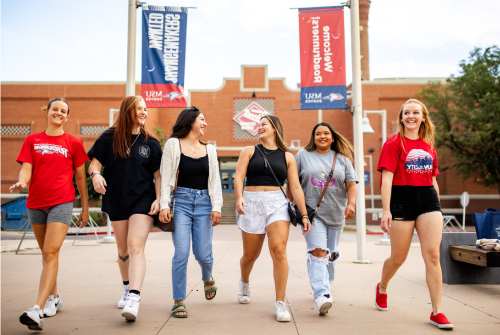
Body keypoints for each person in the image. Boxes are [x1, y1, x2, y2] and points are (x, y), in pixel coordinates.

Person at [375, 99, 453, 329]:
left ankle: (437, 311)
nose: (411, 116)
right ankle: (382, 287)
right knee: (398, 258)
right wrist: (386, 210)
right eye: (406, 113)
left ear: (423, 117)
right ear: (401, 118)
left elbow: (433, 179)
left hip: (428, 199)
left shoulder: (428, 144)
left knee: (433, 256)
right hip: (402, 200)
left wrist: (437, 206)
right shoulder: (393, 143)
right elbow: (386, 180)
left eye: (415, 112)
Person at [12, 98, 89, 331]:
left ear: (67, 117)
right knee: (47, 255)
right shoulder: (31, 140)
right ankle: (54, 297)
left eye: (63, 111)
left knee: (50, 251)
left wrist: (84, 207)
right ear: (47, 112)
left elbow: (80, 177)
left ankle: (37, 308)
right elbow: (26, 168)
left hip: (61, 202)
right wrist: (21, 182)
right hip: (35, 203)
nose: (59, 113)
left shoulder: (73, 142)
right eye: (55, 109)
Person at [87, 96, 162, 321]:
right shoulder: (108, 137)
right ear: (127, 110)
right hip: (116, 199)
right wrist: (96, 175)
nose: (144, 112)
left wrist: (159, 199)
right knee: (123, 250)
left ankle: (134, 297)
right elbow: (95, 164)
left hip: (143, 200)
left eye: (145, 109)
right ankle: (127, 287)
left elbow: (158, 175)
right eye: (139, 108)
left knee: (135, 244)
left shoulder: (151, 142)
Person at [234, 115, 311, 322]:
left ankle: (280, 302)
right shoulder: (249, 151)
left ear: (275, 128)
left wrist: (304, 214)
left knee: (279, 250)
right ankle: (244, 281)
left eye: (263, 124)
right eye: (258, 125)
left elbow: (295, 187)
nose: (259, 127)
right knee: (250, 256)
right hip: (251, 202)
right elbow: (239, 176)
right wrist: (239, 197)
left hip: (277, 203)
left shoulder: (288, 156)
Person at [286, 122, 358, 315]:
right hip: (311, 214)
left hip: (336, 213)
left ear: (333, 137)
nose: (322, 136)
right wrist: (287, 206)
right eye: (318, 134)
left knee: (330, 256)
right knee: (317, 252)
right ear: (313, 137)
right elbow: (292, 184)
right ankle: (322, 294)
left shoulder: (343, 159)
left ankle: (326, 283)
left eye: (326, 133)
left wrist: (351, 204)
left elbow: (352, 185)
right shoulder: (302, 156)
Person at [158, 106, 223, 318]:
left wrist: (217, 207)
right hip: (182, 203)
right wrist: (164, 205)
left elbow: (215, 182)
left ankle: (207, 277)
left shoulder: (210, 149)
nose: (205, 124)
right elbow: (166, 177)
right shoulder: (172, 144)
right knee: (181, 253)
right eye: (201, 120)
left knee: (204, 254)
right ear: (190, 121)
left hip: (205, 203)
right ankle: (178, 300)